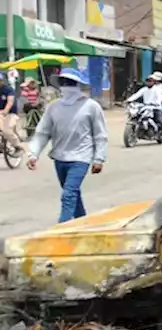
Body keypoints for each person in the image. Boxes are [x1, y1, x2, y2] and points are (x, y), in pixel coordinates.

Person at [26, 68, 108, 223]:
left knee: (68, 194)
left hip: (81, 157)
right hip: (60, 157)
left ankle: (62, 227)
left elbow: (100, 134)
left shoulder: (91, 106)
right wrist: (33, 154)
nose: (67, 86)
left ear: (78, 85)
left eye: (70, 83)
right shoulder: (53, 107)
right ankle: (83, 222)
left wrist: (99, 159)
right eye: (64, 82)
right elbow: (43, 132)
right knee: (73, 194)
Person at [0, 72, 22, 148]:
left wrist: (5, 110)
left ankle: (18, 147)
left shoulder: (8, 90)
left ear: (2, 80)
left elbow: (10, 103)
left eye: (0, 80)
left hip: (10, 113)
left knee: (6, 131)